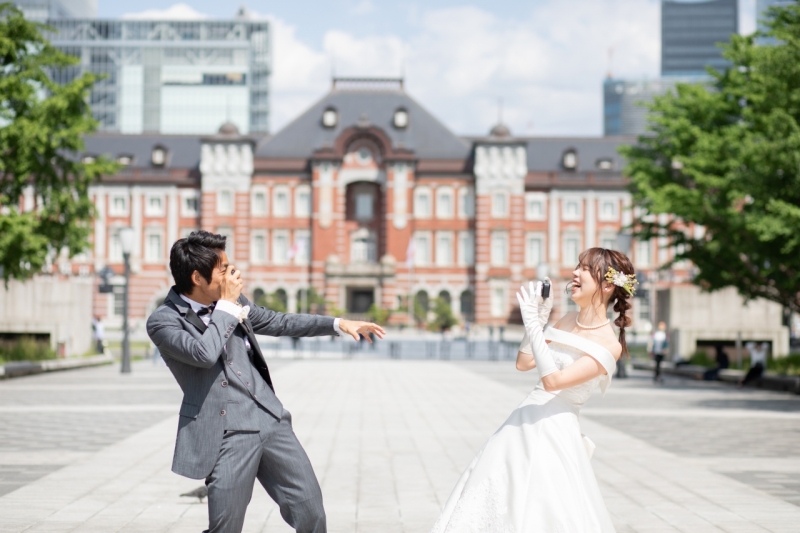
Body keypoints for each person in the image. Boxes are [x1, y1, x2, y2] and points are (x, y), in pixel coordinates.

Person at [146, 231, 385, 533]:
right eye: (224, 269)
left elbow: (278, 321)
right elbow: (204, 353)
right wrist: (227, 308)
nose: (234, 275)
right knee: (225, 527)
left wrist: (337, 324)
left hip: (271, 419)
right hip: (226, 433)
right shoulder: (164, 320)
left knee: (311, 512)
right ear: (197, 277)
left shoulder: (232, 302)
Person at [431, 247, 634, 532]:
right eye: (577, 265)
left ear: (607, 284)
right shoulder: (566, 321)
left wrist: (534, 326)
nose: (575, 272)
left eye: (585, 268)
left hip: (555, 430)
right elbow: (524, 362)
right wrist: (537, 323)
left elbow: (554, 382)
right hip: (522, 422)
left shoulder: (609, 345)